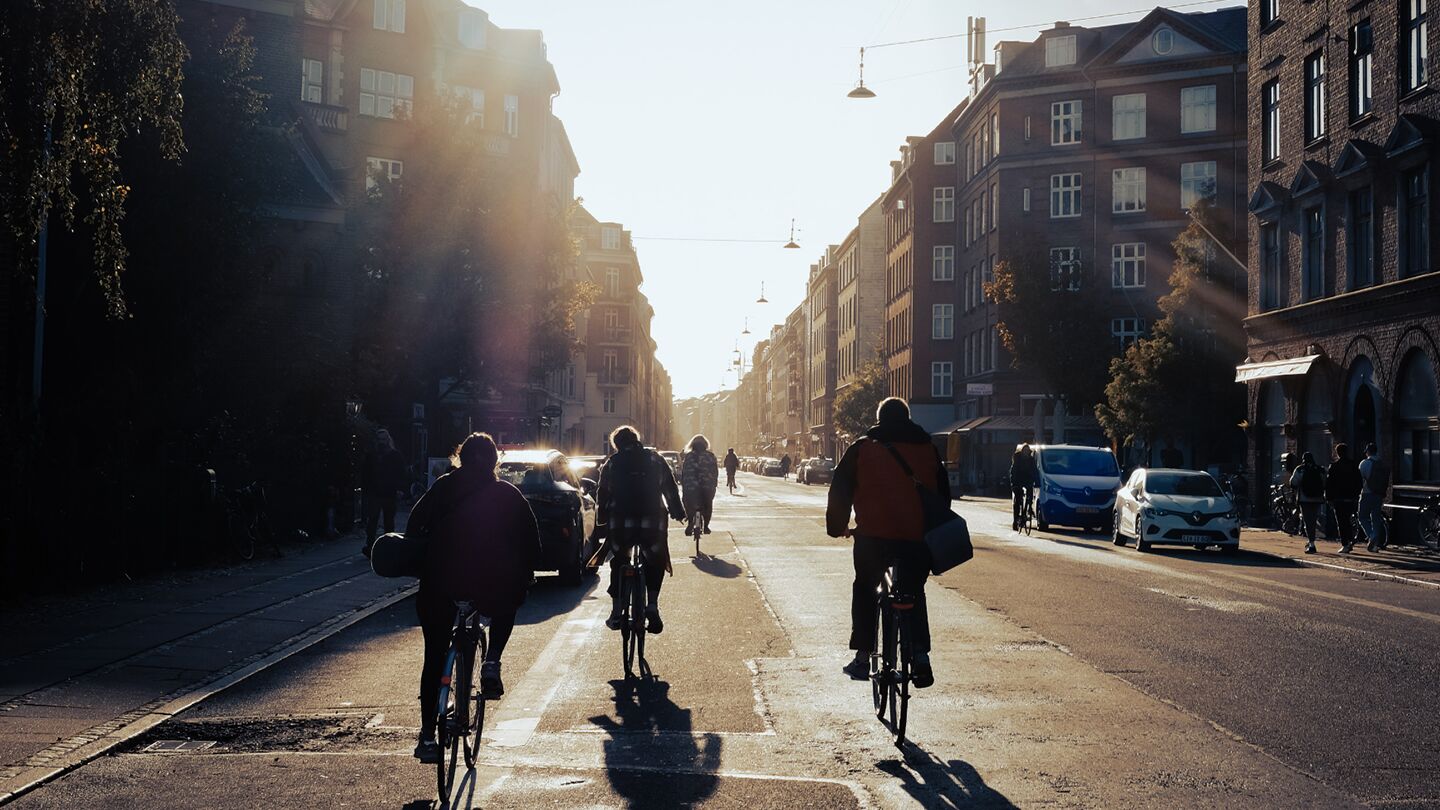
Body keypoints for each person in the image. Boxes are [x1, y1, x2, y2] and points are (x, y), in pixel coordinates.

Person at [409, 433, 540, 764]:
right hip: (490, 585)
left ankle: (427, 737)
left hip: (440, 584)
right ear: (495, 461)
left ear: (460, 459)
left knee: (434, 657)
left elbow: (414, 526)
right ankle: (492, 659)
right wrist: (525, 572)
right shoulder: (508, 494)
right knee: (509, 600)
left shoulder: (442, 487)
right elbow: (531, 541)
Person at [827, 397, 949, 689]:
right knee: (913, 592)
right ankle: (920, 656)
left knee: (866, 588)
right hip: (915, 541)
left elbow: (840, 489)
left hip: (873, 538)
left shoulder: (863, 447)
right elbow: (942, 496)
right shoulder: (928, 448)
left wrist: (839, 527)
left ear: (880, 419)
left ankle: (862, 656)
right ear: (907, 418)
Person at [594, 426, 685, 633]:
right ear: (637, 440)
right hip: (652, 521)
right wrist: (677, 512)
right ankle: (652, 604)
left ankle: (617, 611)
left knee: (619, 560)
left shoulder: (612, 463)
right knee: (655, 559)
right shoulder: (654, 459)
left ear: (616, 445)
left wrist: (602, 519)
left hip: (621, 523)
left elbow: (603, 493)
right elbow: (669, 488)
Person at [361, 428, 407, 556]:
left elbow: (401, 474)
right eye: (379, 439)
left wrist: (400, 489)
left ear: (387, 440)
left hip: (389, 492)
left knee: (388, 521)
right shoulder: (372, 455)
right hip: (375, 492)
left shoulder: (395, 456)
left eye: (383, 439)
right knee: (373, 521)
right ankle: (371, 545)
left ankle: (388, 546)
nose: (381, 442)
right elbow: (366, 474)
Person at [1325, 443, 1363, 553]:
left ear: (1337, 453)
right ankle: (1351, 540)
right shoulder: (1354, 465)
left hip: (1338, 498)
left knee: (1341, 522)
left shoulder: (1334, 466)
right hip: (1351, 498)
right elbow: (1359, 482)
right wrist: (1356, 494)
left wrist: (1329, 498)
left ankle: (1345, 543)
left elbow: (1329, 484)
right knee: (1349, 520)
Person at [1289, 451, 1327, 554]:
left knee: (1307, 521)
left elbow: (1293, 483)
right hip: (1317, 499)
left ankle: (1311, 543)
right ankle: (1312, 539)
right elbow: (1325, 483)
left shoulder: (1300, 469)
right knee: (1314, 520)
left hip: (1304, 499)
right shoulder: (1320, 469)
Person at [680, 434, 719, 534]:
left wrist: (684, 485)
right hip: (707, 487)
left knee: (687, 501)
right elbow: (715, 472)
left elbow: (684, 473)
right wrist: (713, 484)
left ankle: (690, 522)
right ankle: (706, 526)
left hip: (691, 488)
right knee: (708, 504)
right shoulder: (710, 456)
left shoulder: (688, 457)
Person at [1358, 442, 1390, 552]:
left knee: (1362, 517)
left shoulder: (1365, 463)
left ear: (1368, 452)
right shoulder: (1383, 464)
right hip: (1379, 494)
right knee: (1376, 518)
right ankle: (1375, 543)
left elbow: (1360, 479)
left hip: (1367, 493)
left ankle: (1372, 535)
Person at [1009, 443, 1039, 531]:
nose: (1026, 453)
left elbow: (1035, 471)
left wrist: (1037, 482)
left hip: (1028, 480)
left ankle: (1029, 508)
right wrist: (1013, 484)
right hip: (1018, 480)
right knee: (1018, 500)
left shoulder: (1031, 460)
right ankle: (1015, 520)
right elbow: (1013, 471)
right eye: (1024, 451)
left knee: (1030, 494)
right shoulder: (1017, 459)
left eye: (1027, 452)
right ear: (1022, 452)